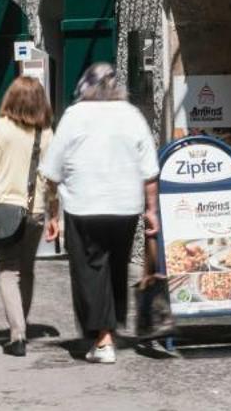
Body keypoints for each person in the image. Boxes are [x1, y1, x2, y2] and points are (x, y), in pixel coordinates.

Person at [41, 62, 159, 364]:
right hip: (124, 206)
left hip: (85, 205)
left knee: (89, 268)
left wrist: (51, 213)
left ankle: (103, 338)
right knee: (115, 265)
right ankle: (109, 327)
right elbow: (149, 171)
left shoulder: (74, 116)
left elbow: (52, 172)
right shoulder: (131, 115)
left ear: (84, 86)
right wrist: (151, 211)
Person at [0, 76, 54, 357]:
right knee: (27, 269)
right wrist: (54, 213)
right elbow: (51, 178)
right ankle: (23, 325)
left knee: (8, 270)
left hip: (3, 212)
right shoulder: (45, 133)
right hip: (35, 211)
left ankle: (16, 335)